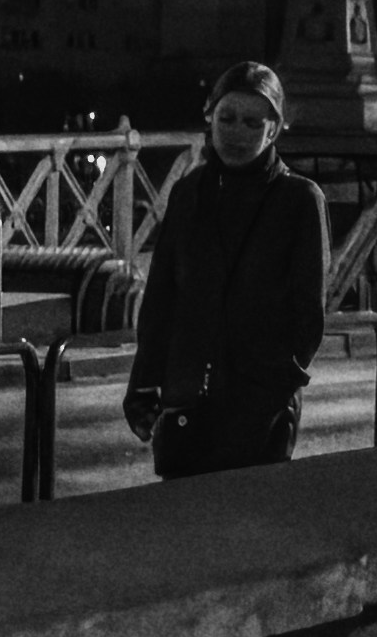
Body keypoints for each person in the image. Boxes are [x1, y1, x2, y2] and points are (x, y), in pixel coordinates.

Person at [123, 62, 331, 476]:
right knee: (183, 526)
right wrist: (143, 385)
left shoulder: (300, 200)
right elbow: (162, 298)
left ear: (274, 129)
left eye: (253, 122)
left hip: (261, 406)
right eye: (227, 118)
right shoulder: (188, 193)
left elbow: (308, 312)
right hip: (187, 398)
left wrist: (276, 383)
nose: (237, 132)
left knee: (248, 529)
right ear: (209, 117)